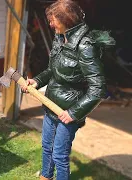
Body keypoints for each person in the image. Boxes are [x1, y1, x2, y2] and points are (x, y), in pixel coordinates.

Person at [21, 0, 115, 180]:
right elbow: (52, 70)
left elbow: (98, 88)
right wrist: (36, 81)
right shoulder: (59, 37)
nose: (50, 24)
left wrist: (74, 113)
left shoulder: (86, 46)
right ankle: (45, 177)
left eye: (53, 20)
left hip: (68, 111)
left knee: (59, 155)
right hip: (51, 105)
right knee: (47, 147)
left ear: (67, 20)